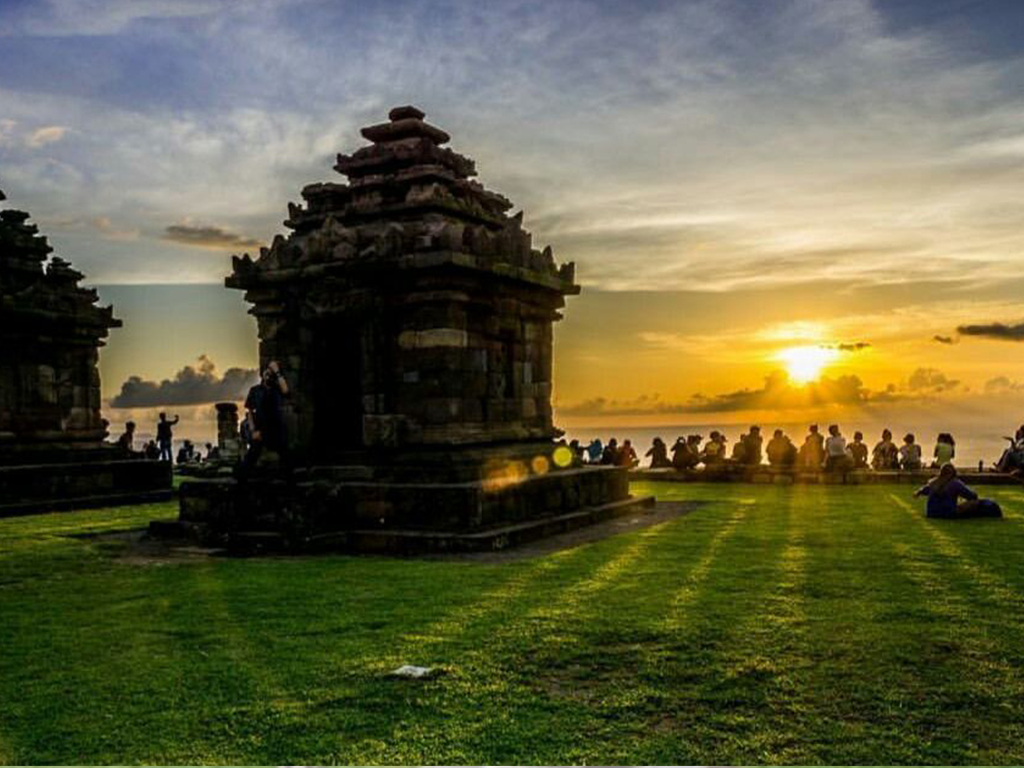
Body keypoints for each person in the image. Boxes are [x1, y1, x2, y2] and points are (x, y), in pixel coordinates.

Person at [239, 360, 291, 477]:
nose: (268, 374)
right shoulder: (255, 390)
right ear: (262, 374)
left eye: (270, 373)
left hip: (277, 429)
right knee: (251, 456)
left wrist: (277, 371)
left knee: (286, 457)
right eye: (266, 372)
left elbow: (286, 391)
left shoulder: (277, 389)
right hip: (261, 430)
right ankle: (241, 483)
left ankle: (290, 485)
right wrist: (253, 431)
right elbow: (250, 412)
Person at [915, 463, 1001, 519]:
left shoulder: (933, 482)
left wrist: (918, 493)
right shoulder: (955, 483)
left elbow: (923, 490)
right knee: (975, 503)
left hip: (931, 513)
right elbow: (971, 496)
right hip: (948, 514)